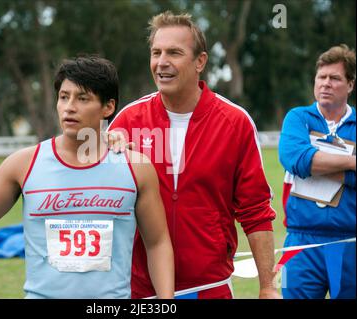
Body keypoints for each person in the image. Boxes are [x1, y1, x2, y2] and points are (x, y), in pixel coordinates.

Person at [0, 56, 174, 299]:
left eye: (83, 98)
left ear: (108, 107)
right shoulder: (23, 164)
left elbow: (157, 243)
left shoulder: (136, 168)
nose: (70, 107)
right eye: (64, 97)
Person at [108, 11, 280, 299]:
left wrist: (266, 287)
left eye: (174, 52)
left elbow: (256, 212)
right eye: (156, 52)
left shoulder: (235, 122)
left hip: (210, 287)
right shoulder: (127, 121)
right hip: (140, 291)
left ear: (200, 61)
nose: (162, 62)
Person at [279, 44, 356, 299]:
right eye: (321, 77)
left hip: (350, 243)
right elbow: (297, 160)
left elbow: (308, 164)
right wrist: (352, 162)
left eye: (334, 78)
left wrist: (317, 164)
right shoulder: (298, 118)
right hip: (301, 242)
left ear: (351, 85)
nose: (326, 83)